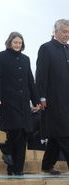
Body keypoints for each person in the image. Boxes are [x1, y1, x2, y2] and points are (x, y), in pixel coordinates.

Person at [0, 32, 40, 175]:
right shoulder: (0, 56)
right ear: (9, 43)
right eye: (15, 42)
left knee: (24, 134)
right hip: (7, 101)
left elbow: (30, 81)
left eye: (20, 43)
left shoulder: (26, 59)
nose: (18, 45)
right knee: (16, 130)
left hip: (23, 102)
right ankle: (6, 148)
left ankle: (16, 169)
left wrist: (35, 100)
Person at [36, 19, 69, 175]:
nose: (67, 35)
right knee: (64, 133)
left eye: (68, 32)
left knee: (57, 135)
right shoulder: (46, 48)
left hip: (67, 99)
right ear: (55, 31)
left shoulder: (68, 49)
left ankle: (47, 165)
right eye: (64, 31)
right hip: (53, 99)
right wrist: (41, 97)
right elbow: (41, 74)